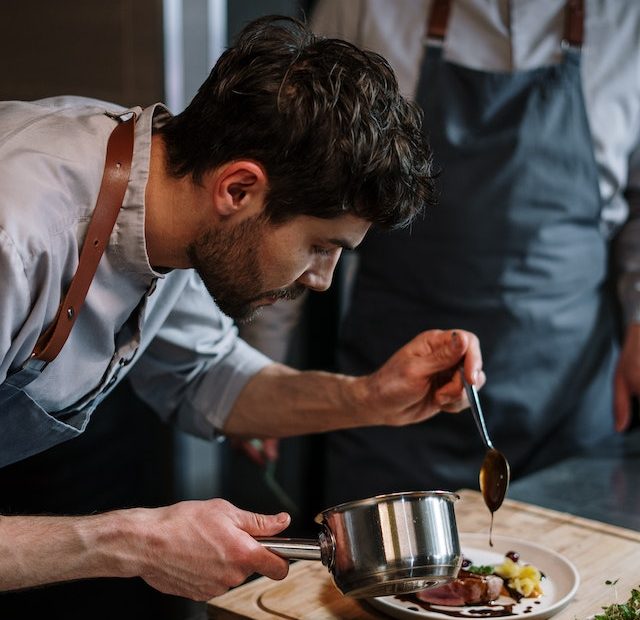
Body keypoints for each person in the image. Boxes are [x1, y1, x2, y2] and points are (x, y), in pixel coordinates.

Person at [0, 16, 484, 601]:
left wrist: (370, 397)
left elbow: (207, 378)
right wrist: (130, 543)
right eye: (321, 246)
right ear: (237, 189)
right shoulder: (18, 241)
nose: (323, 279)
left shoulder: (168, 192)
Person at [305, 0, 640, 507]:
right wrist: (261, 371)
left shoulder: (627, 19)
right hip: (391, 405)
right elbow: (295, 192)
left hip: (569, 407)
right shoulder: (362, 8)